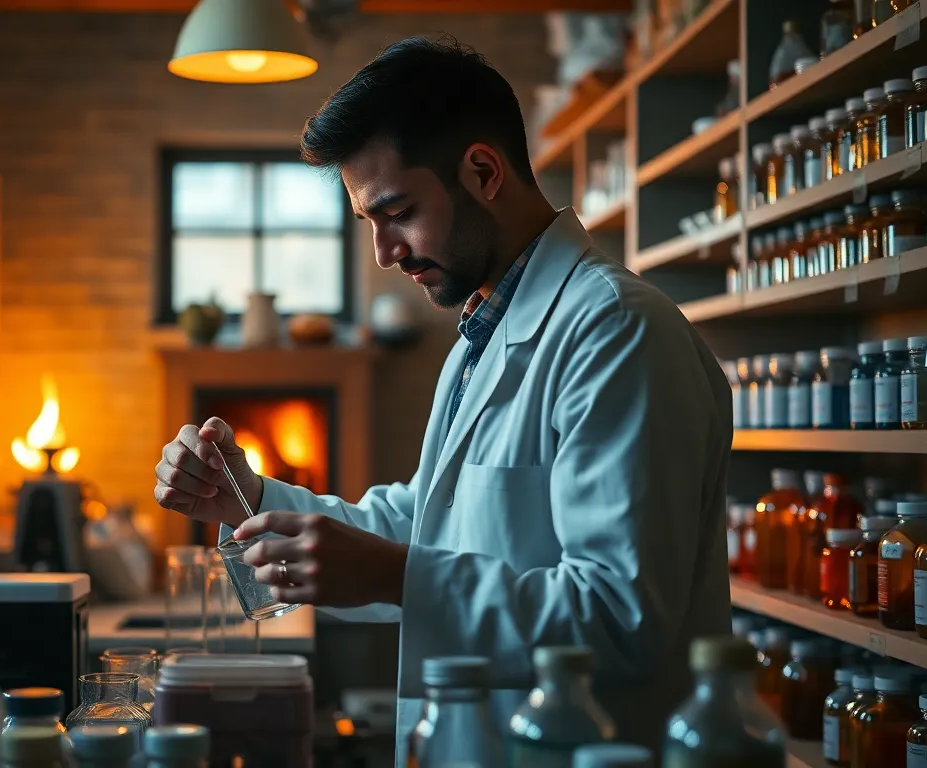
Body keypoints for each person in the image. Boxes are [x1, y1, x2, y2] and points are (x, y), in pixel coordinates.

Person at [153, 36, 731, 759]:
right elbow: (427, 520)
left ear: (483, 171)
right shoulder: (480, 334)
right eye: (370, 222)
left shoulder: (617, 332)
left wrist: (398, 577)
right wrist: (245, 497)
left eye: (397, 212)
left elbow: (618, 620)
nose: (384, 254)